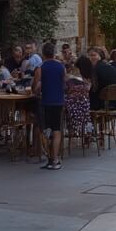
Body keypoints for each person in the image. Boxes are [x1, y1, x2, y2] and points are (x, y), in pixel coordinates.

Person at [33, 42, 65, 170]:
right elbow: (64, 83)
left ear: (43, 54)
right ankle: (55, 159)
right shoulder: (61, 67)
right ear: (54, 52)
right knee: (57, 130)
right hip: (58, 101)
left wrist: (36, 89)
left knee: (45, 130)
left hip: (45, 102)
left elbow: (36, 87)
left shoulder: (40, 67)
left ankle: (48, 157)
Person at [65, 56, 94, 143]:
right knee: (87, 117)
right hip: (86, 105)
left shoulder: (72, 79)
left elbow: (66, 89)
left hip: (73, 106)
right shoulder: (90, 77)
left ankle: (71, 130)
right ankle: (89, 132)